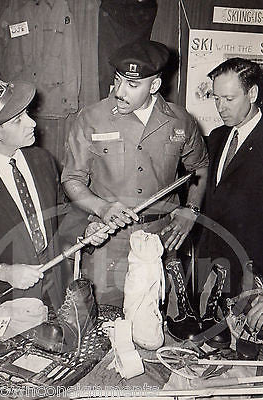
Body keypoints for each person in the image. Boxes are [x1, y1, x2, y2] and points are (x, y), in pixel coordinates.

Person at [61, 40, 209, 307]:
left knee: (155, 321)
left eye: (132, 85)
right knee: (106, 322)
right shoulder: (91, 118)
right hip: (109, 240)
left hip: (162, 239)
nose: (119, 92)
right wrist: (102, 207)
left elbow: (198, 167)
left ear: (154, 86)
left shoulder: (181, 121)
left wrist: (192, 210)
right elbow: (72, 179)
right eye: (118, 80)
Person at [0, 69, 107, 316]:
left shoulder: (41, 160)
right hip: (4, 303)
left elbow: (61, 214)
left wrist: (85, 230)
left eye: (26, 113)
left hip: (54, 290)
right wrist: (3, 272)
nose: (32, 122)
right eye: (18, 120)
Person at [199, 57, 263, 301]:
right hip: (211, 272)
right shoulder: (217, 137)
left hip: (252, 279)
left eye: (229, 99)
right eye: (216, 98)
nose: (220, 107)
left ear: (253, 93)